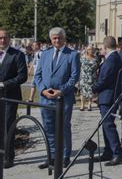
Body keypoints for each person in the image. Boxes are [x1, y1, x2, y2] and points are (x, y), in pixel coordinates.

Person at [34, 27, 80, 168]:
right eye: (54, 38)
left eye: (59, 37)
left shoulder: (72, 55)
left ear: (64, 38)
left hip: (63, 98)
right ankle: (52, 156)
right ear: (51, 39)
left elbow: (74, 77)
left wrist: (61, 91)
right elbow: (38, 75)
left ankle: (65, 155)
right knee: (48, 128)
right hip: (46, 98)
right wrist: (42, 91)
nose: (57, 40)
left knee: (64, 127)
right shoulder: (45, 54)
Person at [92, 36, 122, 165]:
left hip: (108, 96)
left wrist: (93, 87)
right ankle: (108, 151)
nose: (101, 50)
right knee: (106, 124)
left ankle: (118, 153)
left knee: (108, 125)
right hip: (106, 96)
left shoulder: (111, 60)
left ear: (105, 47)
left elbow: (105, 79)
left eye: (101, 48)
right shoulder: (113, 58)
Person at [0, 28, 28, 169]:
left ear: (9, 39)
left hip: (10, 97)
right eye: (0, 38)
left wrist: (4, 84)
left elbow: (22, 76)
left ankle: (8, 157)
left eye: (5, 37)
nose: (2, 40)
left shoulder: (17, 55)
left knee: (7, 127)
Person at [79, 45, 99, 111]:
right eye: (89, 49)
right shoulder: (82, 57)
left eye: (92, 49)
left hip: (92, 77)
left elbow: (97, 67)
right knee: (82, 91)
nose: (91, 50)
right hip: (84, 77)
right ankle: (82, 105)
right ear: (87, 50)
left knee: (90, 91)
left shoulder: (95, 58)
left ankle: (89, 105)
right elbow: (79, 66)